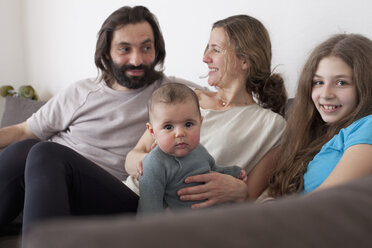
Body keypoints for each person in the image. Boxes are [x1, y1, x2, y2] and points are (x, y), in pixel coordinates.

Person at [0, 5, 199, 235]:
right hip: (50, 187)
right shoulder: (81, 92)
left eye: (146, 48)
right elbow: (24, 130)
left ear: (156, 50)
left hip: (113, 197)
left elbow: (227, 99)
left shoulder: (174, 94)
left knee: (44, 152)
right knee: (24, 149)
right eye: (125, 49)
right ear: (106, 53)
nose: (137, 60)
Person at [125, 14, 287, 208]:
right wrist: (156, 165)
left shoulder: (273, 127)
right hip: (133, 195)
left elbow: (250, 196)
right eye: (207, 48)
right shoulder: (187, 99)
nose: (205, 58)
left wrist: (240, 191)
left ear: (245, 60)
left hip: (174, 214)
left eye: (215, 50)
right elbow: (132, 157)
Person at [269, 34, 372, 197]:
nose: (325, 94)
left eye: (341, 83)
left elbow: (323, 200)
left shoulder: (368, 126)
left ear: (366, 86)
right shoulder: (316, 134)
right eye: (318, 82)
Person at [138, 83, 246, 214]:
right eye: (168, 127)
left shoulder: (199, 150)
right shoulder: (153, 164)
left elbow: (214, 170)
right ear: (152, 131)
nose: (180, 133)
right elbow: (150, 211)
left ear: (200, 123)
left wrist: (233, 172)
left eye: (188, 124)